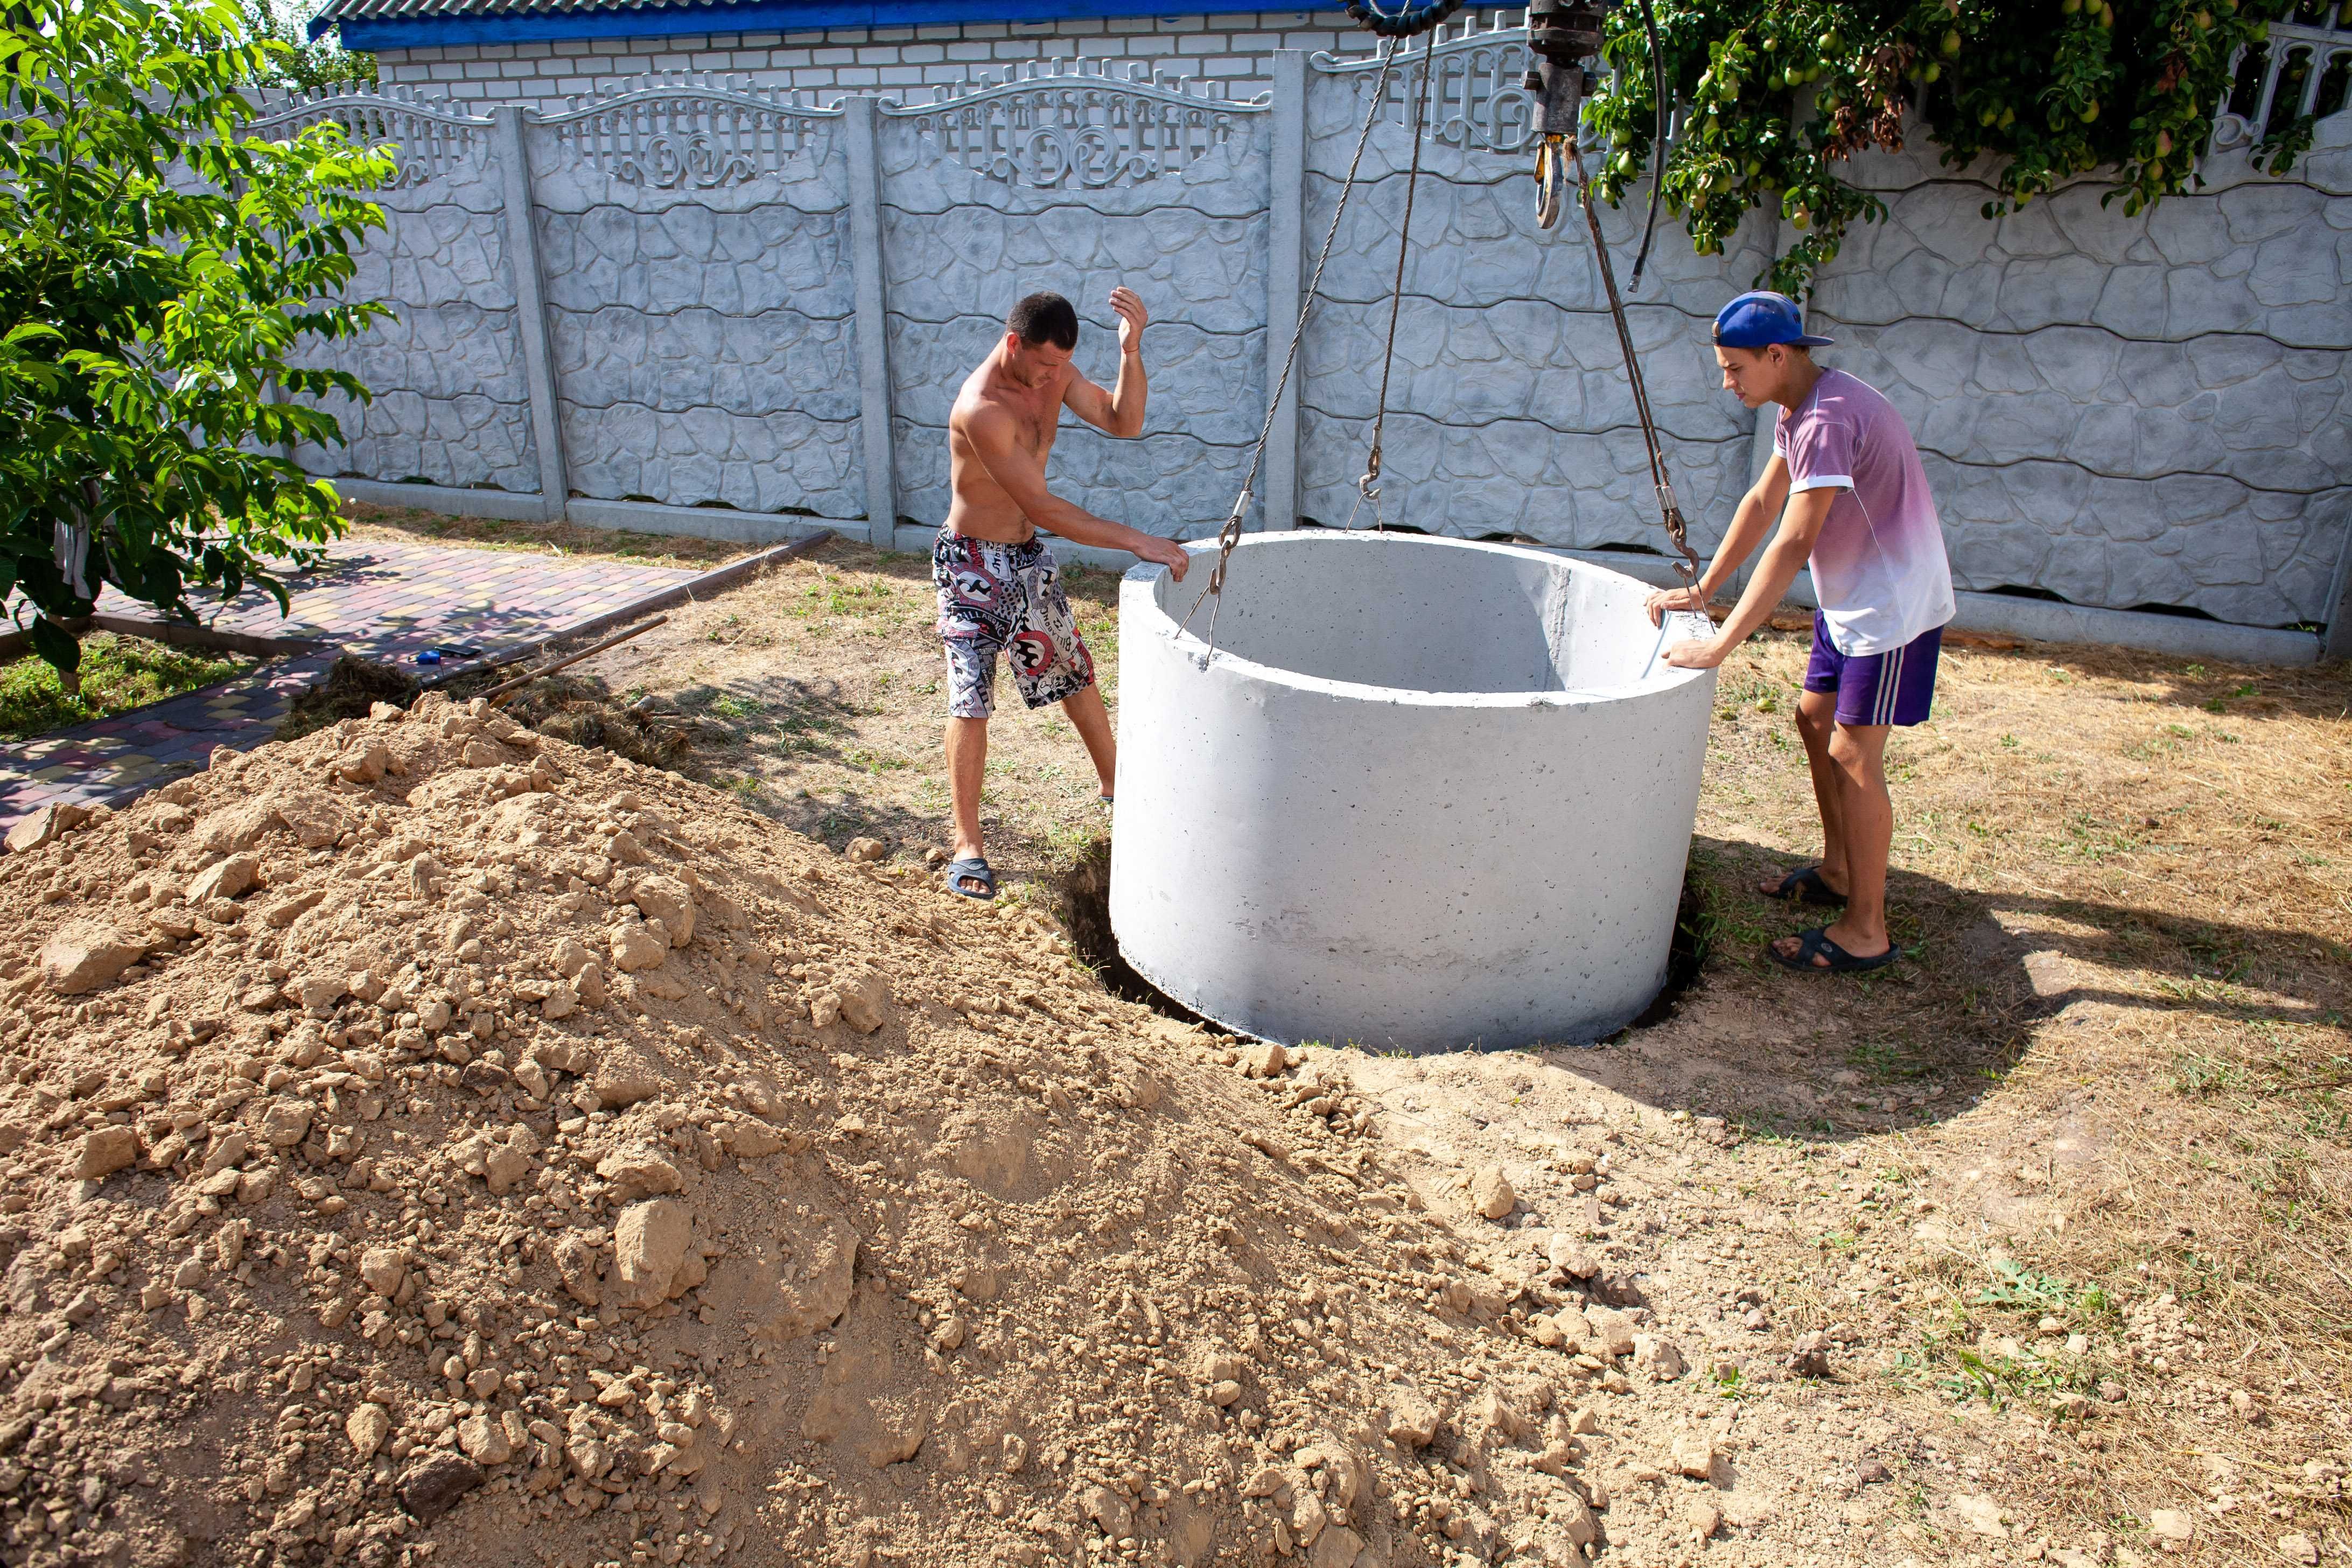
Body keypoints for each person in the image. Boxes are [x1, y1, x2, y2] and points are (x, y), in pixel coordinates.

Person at [1646, 290, 1956, 974]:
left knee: (1852, 753)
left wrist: (1723, 642)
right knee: (1814, 719)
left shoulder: (1827, 419)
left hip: (1891, 610)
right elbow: (1762, 501)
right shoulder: (1804, 407)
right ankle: (1841, 871)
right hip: (1851, 601)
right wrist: (1704, 590)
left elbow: (1792, 540)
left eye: (1734, 368)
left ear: (1776, 356)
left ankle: (1866, 928)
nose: (1727, 381)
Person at [933, 288, 1191, 900]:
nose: (1055, 378)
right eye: (1046, 365)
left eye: (1062, 366)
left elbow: (1125, 422)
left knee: (1074, 674)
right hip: (970, 561)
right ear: (1014, 342)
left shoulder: (1054, 372)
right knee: (971, 697)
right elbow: (1043, 504)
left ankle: (1117, 787)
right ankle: (969, 845)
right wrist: (1138, 540)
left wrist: (1131, 352)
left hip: (1024, 556)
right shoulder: (982, 408)